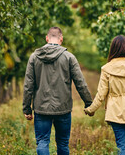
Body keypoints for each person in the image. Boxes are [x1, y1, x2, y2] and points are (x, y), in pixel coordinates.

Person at [23, 27, 92, 155]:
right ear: (61, 39)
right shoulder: (69, 57)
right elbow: (80, 83)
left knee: (42, 142)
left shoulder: (34, 57)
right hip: (63, 108)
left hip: (41, 108)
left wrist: (27, 108)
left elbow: (28, 85)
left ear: (47, 38)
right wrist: (89, 103)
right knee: (62, 143)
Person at [84, 35, 125, 155]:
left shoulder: (106, 69)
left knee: (121, 145)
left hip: (116, 113)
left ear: (112, 49)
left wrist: (90, 109)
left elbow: (101, 94)